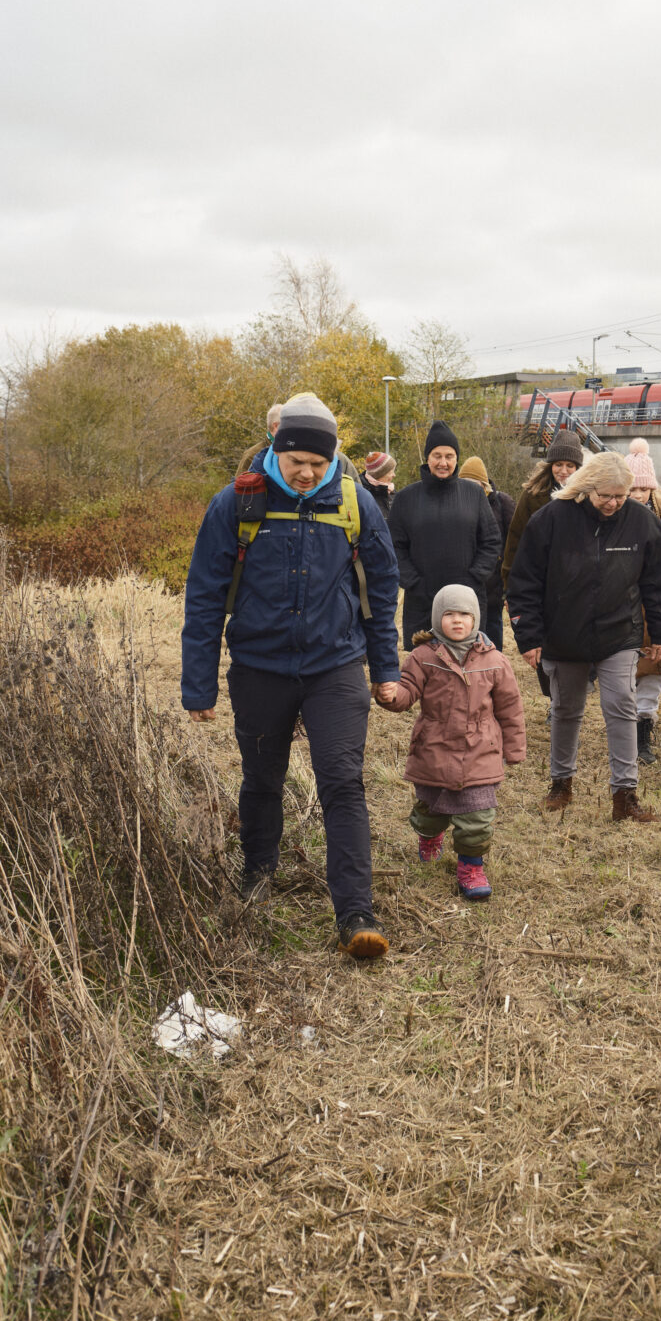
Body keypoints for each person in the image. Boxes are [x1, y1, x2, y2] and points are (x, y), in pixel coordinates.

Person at [180, 393, 402, 958]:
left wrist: (386, 669)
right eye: (296, 460)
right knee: (261, 779)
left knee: (342, 782)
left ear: (332, 461)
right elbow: (205, 596)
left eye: (317, 463)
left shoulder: (356, 504)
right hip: (259, 667)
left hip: (336, 667)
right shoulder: (236, 503)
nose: (306, 472)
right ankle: (257, 875)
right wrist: (198, 683)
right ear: (276, 450)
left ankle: (356, 913)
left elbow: (381, 590)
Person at [506, 452, 661, 825]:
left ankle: (625, 795)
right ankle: (561, 783)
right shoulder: (550, 520)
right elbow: (524, 582)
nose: (613, 503)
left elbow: (658, 584)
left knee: (622, 707)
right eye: (605, 496)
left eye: (621, 495)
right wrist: (529, 636)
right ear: (585, 489)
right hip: (563, 635)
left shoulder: (643, 523)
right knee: (566, 710)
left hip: (619, 634)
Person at [378, 584, 526, 902]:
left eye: (464, 614)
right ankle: (430, 837)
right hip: (434, 750)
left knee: (479, 817)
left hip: (480, 752)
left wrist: (513, 749)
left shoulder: (495, 660)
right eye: (449, 614)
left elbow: (510, 708)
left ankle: (471, 866)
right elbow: (407, 693)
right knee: (430, 810)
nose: (458, 621)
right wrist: (390, 696)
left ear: (476, 619)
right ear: (436, 619)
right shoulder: (423, 657)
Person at [388, 420, 501, 651]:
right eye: (437, 455)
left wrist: (474, 578)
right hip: (422, 600)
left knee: (468, 666)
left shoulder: (474, 495)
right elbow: (393, 547)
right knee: (426, 668)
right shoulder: (406, 498)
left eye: (449, 456)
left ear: (457, 458)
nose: (443, 462)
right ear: (427, 458)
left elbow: (491, 541)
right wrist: (413, 582)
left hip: (468, 599)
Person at [502, 433, 587, 694]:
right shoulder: (533, 495)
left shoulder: (588, 496)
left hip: (577, 580)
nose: (563, 471)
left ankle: (572, 692)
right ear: (550, 465)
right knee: (542, 638)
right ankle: (553, 697)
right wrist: (509, 585)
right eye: (558, 465)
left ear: (578, 468)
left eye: (569, 466)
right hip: (540, 578)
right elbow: (514, 540)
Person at [626, 440, 661, 764]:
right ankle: (626, 729)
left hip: (652, 605)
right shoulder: (607, 517)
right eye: (631, 488)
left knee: (651, 669)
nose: (637, 495)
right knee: (623, 673)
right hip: (619, 606)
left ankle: (642, 734)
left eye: (643, 489)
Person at [460, 456, 514, 649]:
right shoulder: (456, 505)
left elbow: (513, 545)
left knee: (491, 637)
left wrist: (509, 585)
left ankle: (494, 672)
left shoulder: (502, 503)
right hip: (464, 584)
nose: (470, 489)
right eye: (464, 483)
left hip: (493, 586)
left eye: (475, 484)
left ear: (484, 484)